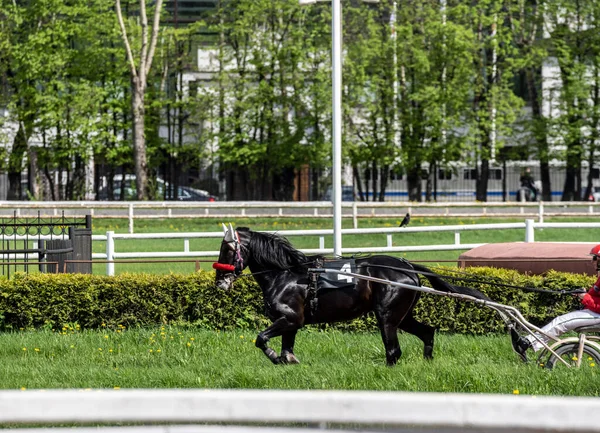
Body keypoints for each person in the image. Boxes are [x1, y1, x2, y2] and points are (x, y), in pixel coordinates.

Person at [511, 244, 600, 362]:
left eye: (595, 258)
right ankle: (529, 342)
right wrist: (583, 293)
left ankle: (527, 343)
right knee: (561, 321)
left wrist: (585, 297)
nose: (592, 261)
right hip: (594, 312)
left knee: (561, 322)